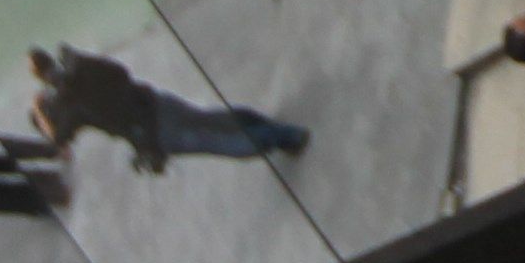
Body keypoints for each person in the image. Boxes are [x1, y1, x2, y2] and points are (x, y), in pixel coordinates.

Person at [21, 47, 310, 172]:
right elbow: (121, 72)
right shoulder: (79, 63)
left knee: (217, 143)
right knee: (211, 119)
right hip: (155, 102)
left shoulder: (70, 104)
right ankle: (278, 131)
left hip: (152, 132)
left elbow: (58, 139)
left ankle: (282, 136)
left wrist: (39, 109)